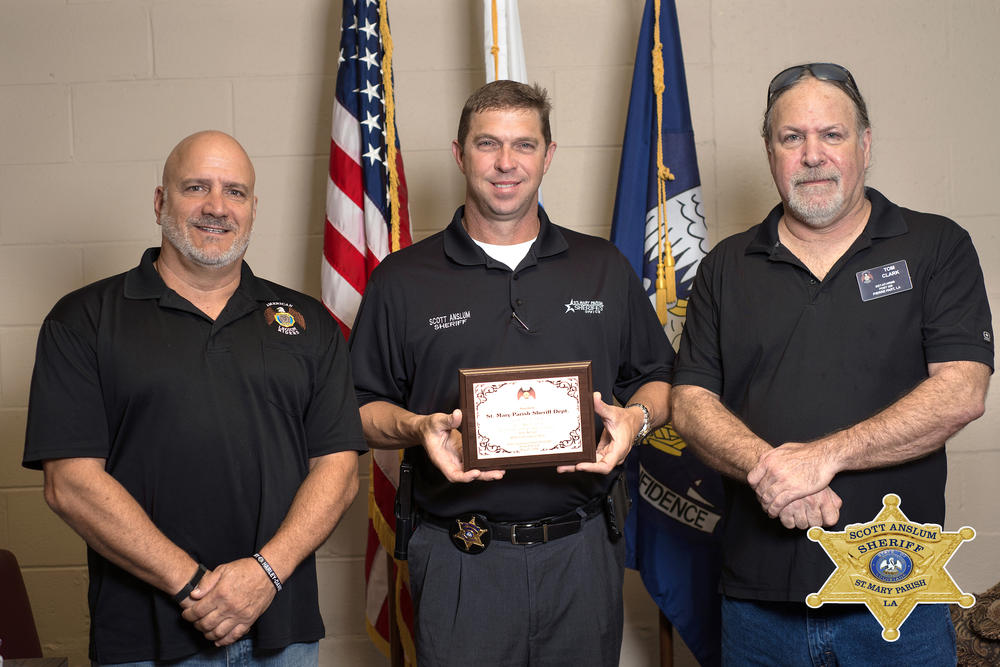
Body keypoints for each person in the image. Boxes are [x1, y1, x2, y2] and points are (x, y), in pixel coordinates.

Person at [671, 63, 993, 663]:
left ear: (865, 145)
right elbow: (690, 402)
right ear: (770, 152)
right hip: (756, 604)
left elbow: (961, 391)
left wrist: (822, 458)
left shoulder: (935, 247)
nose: (812, 154)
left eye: (832, 135)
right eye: (791, 138)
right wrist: (772, 470)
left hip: (898, 599)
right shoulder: (724, 268)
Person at [349, 80, 673, 666]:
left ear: (548, 155)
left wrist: (637, 420)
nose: (505, 164)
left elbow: (659, 378)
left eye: (524, 146)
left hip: (581, 553)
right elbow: (359, 408)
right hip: (459, 557)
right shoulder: (402, 279)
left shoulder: (602, 266)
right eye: (487, 144)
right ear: (459, 153)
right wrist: (417, 428)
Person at [22, 131, 367, 664]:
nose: (216, 207)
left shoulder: (308, 323)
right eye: (196, 187)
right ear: (161, 201)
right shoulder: (83, 320)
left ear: (253, 209)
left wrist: (264, 575)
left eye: (235, 191)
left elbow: (338, 469)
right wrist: (196, 588)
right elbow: (70, 483)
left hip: (284, 632)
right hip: (145, 638)